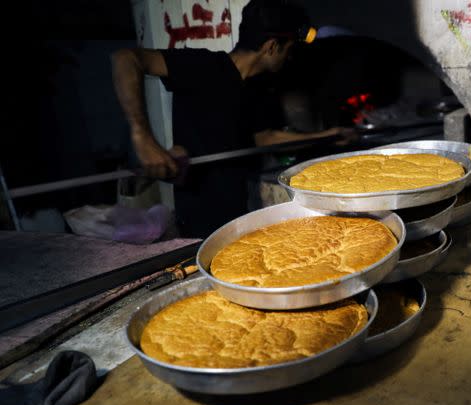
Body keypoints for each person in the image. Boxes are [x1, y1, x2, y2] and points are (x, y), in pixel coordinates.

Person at [111, 0, 345, 237]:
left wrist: (327, 137)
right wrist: (143, 138)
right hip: (199, 219)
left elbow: (265, 138)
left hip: (240, 212)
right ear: (272, 46)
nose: (289, 58)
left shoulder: (258, 89)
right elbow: (126, 59)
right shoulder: (204, 66)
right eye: (289, 49)